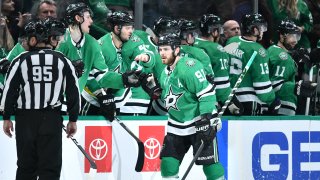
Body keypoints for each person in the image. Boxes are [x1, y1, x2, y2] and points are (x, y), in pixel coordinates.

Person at [1, 18, 80, 180]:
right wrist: (73, 118)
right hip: (52, 119)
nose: (23, 44)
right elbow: (73, 91)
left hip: (26, 120)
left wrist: (7, 117)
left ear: (33, 39)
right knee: (50, 168)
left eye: (25, 40)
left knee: (26, 166)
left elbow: (9, 91)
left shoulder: (20, 60)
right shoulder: (62, 60)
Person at [157, 33, 224, 180]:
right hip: (175, 126)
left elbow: (206, 94)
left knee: (211, 166)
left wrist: (208, 118)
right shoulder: (164, 72)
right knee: (168, 165)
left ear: (176, 50)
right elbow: (167, 96)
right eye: (160, 49)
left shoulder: (189, 67)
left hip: (198, 124)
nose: (162, 53)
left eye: (166, 49)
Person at [57, 4, 140, 119]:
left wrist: (124, 79)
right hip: (51, 104)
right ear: (78, 18)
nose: (91, 21)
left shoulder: (92, 44)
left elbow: (102, 75)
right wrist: (67, 67)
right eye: (88, 17)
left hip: (72, 105)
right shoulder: (59, 39)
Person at [99, 11, 155, 115]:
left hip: (130, 96)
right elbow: (96, 75)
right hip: (107, 96)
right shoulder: (101, 46)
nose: (131, 31)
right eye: (127, 28)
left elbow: (149, 56)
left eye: (132, 27)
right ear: (117, 29)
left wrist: (147, 57)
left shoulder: (134, 40)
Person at [226, 13, 280, 115]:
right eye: (261, 28)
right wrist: (273, 100)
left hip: (230, 99)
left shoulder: (231, 42)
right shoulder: (259, 51)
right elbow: (262, 87)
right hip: (249, 101)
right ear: (254, 30)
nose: (263, 31)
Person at [195, 14, 243, 115]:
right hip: (207, 102)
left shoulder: (191, 44)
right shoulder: (217, 50)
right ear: (214, 31)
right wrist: (231, 102)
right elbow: (222, 88)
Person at [268, 19, 317, 115]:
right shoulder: (282, 57)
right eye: (292, 36)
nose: (295, 41)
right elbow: (275, 85)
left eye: (297, 36)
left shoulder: (273, 50)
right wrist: (297, 87)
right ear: (282, 36)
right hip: (281, 105)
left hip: (277, 105)